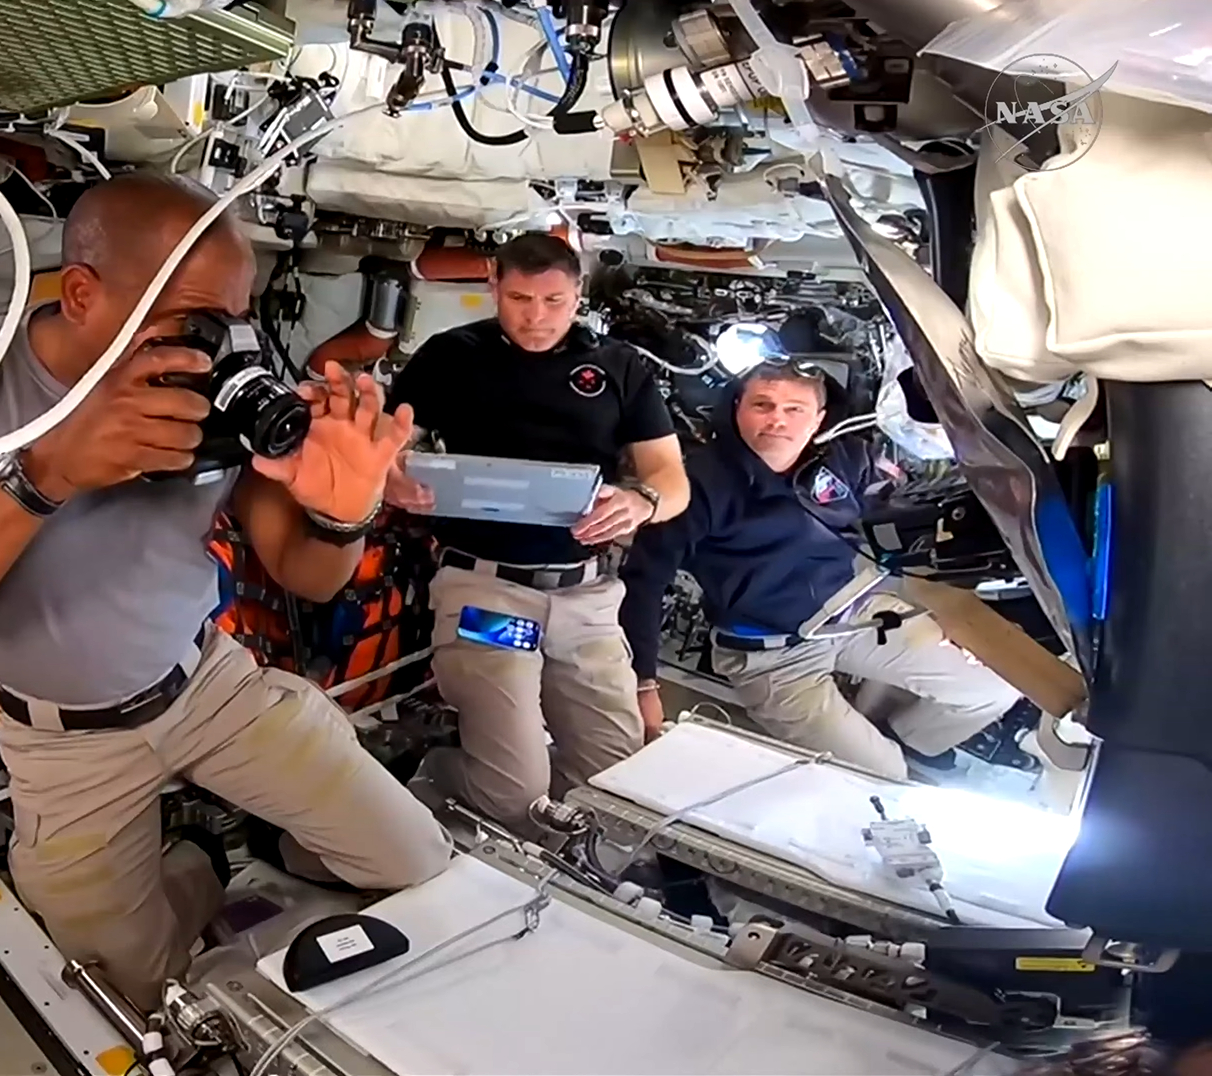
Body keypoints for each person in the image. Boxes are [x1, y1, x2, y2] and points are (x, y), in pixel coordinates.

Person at [0, 173, 453, 1009]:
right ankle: (198, 862)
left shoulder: (220, 386)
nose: (216, 346)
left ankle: (248, 842)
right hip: (64, 739)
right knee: (128, 994)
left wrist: (343, 513)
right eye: (189, 319)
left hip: (212, 685)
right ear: (81, 294)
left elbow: (308, 572)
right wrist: (44, 473)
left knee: (419, 868)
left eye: (230, 318)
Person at [385, 233, 690, 837]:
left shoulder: (618, 367)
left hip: (588, 600)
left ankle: (573, 859)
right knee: (514, 794)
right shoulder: (452, 355)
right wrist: (391, 479)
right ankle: (433, 769)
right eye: (520, 298)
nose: (537, 316)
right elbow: (384, 445)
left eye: (554, 300)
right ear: (494, 288)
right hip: (488, 593)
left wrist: (640, 501)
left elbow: (670, 479)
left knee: (621, 790)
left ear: (577, 294)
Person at [619, 359, 1021, 779]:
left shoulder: (845, 457)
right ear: (737, 407)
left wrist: (953, 613)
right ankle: (884, 760)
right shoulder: (697, 485)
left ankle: (911, 742)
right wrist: (642, 681)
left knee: (993, 689)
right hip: (773, 655)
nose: (777, 419)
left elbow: (894, 520)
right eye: (762, 404)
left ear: (819, 419)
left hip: (855, 614)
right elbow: (643, 582)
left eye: (794, 409)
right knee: (883, 774)